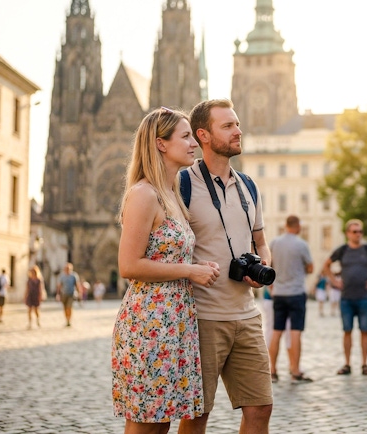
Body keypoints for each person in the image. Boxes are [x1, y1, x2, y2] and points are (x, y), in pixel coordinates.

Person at [112, 107, 219, 433]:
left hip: (176, 322)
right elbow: (129, 266)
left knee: (162, 425)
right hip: (150, 321)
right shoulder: (144, 194)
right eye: (186, 136)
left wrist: (197, 266)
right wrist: (189, 270)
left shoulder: (171, 195)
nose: (194, 144)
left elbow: (164, 255)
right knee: (146, 425)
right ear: (161, 143)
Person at [179, 99, 273, 434]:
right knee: (196, 414)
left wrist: (263, 267)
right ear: (202, 135)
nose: (238, 130)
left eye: (237, 123)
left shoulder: (249, 185)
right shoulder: (182, 185)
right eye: (228, 126)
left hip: (246, 315)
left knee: (260, 408)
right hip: (202, 318)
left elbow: (260, 242)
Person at [323, 219, 367, 376]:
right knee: (347, 331)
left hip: (364, 297)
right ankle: (347, 364)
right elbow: (326, 265)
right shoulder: (342, 250)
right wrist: (334, 281)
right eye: (355, 231)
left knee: (364, 330)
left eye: (360, 231)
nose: (358, 234)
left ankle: (365, 364)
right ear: (347, 233)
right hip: (346, 298)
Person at [268, 215, 314, 384]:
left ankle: (272, 371)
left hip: (279, 293)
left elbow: (269, 266)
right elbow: (310, 267)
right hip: (296, 292)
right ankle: (295, 370)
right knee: (295, 332)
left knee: (276, 332)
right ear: (298, 226)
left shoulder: (274, 243)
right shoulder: (301, 244)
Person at [56, 263, 80, 327]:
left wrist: (79, 293)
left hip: (71, 294)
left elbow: (77, 284)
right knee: (65, 308)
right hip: (63, 294)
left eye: (68, 269)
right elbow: (59, 286)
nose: (67, 270)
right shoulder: (61, 276)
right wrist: (58, 294)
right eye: (66, 269)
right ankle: (66, 319)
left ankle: (69, 320)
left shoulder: (74, 275)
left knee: (69, 307)